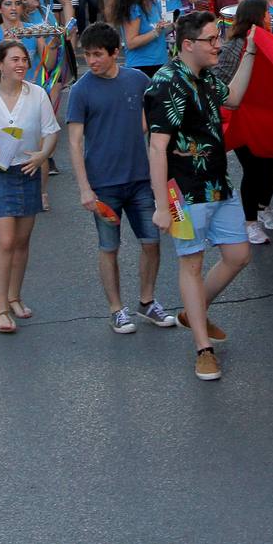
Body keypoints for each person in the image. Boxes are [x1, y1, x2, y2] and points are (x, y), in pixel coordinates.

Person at [146, 12, 259, 381]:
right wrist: (162, 206)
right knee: (191, 265)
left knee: (238, 255)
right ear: (188, 45)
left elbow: (236, 98)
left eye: (219, 37)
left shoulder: (207, 76)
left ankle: (194, 309)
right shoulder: (165, 85)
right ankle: (203, 349)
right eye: (212, 39)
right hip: (184, 195)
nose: (219, 44)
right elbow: (158, 148)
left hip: (218, 184)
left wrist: (253, 54)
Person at [67, 22, 177, 334]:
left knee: (151, 243)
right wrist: (84, 187)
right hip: (103, 185)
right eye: (87, 54)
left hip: (141, 179)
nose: (92, 60)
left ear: (116, 52)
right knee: (108, 248)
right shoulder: (81, 90)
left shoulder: (138, 79)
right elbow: (74, 142)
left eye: (98, 54)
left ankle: (146, 302)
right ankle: (117, 309)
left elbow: (153, 120)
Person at [0, 39, 61, 334]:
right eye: (15, 60)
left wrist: (43, 155)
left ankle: (15, 296)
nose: (21, 65)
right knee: (5, 241)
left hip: (27, 170)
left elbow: (51, 131)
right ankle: (0, 309)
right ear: (0, 64)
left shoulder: (38, 94)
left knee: (21, 241)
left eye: (24, 60)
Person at [215, 0, 273, 245]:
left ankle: (264, 207)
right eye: (266, 13)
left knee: (271, 164)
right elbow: (219, 83)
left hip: (267, 116)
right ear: (256, 16)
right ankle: (249, 222)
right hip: (242, 118)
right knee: (254, 168)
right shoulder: (233, 47)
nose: (270, 17)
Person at [108, 0, 171, 77]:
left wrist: (175, 25)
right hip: (142, 67)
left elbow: (158, 30)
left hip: (160, 63)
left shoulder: (152, 2)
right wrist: (155, 32)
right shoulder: (133, 7)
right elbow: (131, 42)